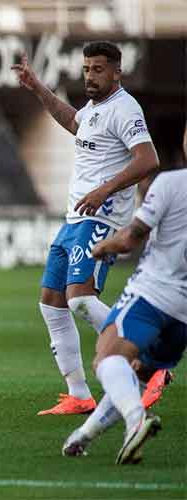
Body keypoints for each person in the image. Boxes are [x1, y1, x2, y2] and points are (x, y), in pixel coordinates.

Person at [12, 41, 164, 415]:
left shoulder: (125, 108)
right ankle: (79, 395)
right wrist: (37, 87)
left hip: (102, 217)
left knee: (80, 298)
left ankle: (147, 358)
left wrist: (103, 189)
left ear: (116, 72)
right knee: (51, 303)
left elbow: (148, 159)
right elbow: (72, 122)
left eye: (98, 69)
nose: (90, 76)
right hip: (75, 218)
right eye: (86, 69)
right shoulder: (95, 109)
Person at [61, 168, 186, 464]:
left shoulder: (172, 182)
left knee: (107, 359)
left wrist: (104, 246)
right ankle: (84, 435)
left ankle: (136, 420)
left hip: (154, 293)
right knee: (138, 374)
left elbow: (133, 236)